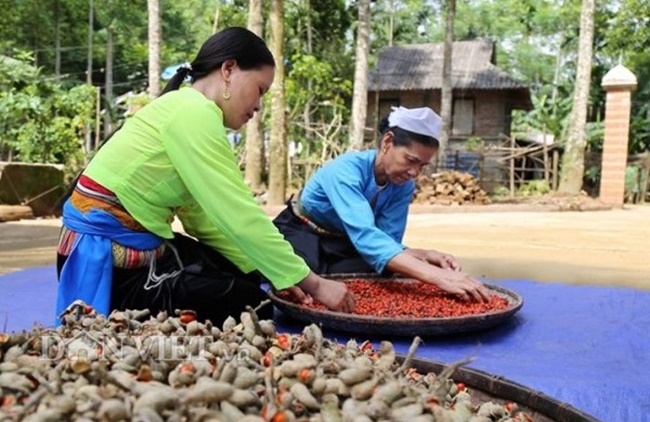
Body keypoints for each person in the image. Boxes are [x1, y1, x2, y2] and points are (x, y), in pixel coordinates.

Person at [56, 26, 355, 326]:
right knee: (253, 307)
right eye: (260, 89)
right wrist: (315, 283)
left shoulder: (188, 108)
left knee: (245, 280)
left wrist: (275, 272)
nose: (258, 105)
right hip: (110, 265)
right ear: (229, 69)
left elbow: (203, 219)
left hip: (136, 245)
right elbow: (237, 213)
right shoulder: (193, 113)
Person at [273, 106, 490, 302]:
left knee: (385, 271)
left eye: (422, 165)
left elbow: (386, 242)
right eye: (411, 160)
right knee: (302, 275)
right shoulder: (345, 171)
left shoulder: (403, 185)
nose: (414, 172)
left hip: (345, 241)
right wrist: (436, 276)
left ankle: (327, 272)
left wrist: (425, 255)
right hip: (302, 230)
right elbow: (367, 236)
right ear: (387, 142)